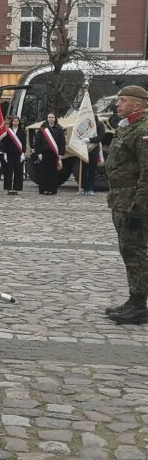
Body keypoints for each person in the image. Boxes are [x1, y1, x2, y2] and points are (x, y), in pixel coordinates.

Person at [104, 85, 148, 325]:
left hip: (134, 203)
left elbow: (146, 173)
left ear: (138, 104)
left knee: (136, 252)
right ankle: (135, 299)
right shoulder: (127, 127)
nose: (118, 104)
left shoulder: (143, 130)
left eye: (123, 100)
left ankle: (139, 304)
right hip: (121, 200)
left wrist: (139, 207)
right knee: (128, 250)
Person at [34, 112, 65, 195]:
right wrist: (39, 153)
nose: (51, 119)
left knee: (53, 172)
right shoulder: (42, 129)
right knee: (44, 172)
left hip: (54, 154)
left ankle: (52, 190)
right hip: (44, 154)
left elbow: (62, 142)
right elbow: (38, 142)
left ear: (55, 119)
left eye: (52, 117)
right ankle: (44, 189)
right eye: (49, 117)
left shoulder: (59, 129)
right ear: (47, 119)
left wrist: (61, 154)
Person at [79, 115, 106, 196]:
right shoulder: (84, 124)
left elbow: (101, 137)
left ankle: (90, 188)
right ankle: (83, 187)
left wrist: (90, 140)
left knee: (92, 170)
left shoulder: (99, 124)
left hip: (94, 149)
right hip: (84, 149)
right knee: (83, 170)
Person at [0, 116, 26, 195]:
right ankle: (9, 188)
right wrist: (5, 153)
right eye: (14, 121)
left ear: (19, 122)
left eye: (17, 121)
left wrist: (23, 153)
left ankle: (16, 188)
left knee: (18, 171)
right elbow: (5, 142)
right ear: (11, 122)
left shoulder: (22, 132)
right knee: (9, 171)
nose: (15, 123)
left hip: (19, 154)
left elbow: (24, 143)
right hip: (9, 153)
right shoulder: (8, 131)